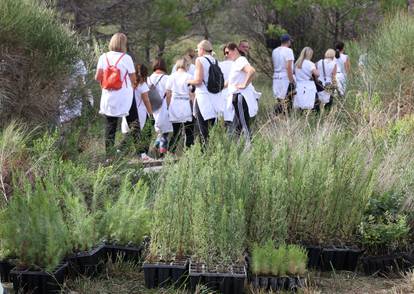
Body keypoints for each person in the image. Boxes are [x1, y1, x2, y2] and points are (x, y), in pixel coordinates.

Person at [95, 32, 137, 156]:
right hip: (125, 96)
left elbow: (97, 77)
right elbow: (133, 79)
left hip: (108, 95)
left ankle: (109, 156)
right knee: (134, 123)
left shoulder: (103, 57)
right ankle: (142, 153)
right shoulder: (126, 58)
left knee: (110, 126)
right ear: (124, 44)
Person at [187, 40, 222, 145]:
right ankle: (213, 152)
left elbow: (198, 81)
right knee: (212, 129)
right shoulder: (215, 60)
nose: (198, 52)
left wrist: (188, 81)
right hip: (214, 97)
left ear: (202, 50)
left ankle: (205, 155)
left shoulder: (200, 60)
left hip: (203, 98)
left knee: (203, 130)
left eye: (198, 50)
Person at [226, 43, 260, 141]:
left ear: (235, 50)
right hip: (236, 96)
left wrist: (244, 84)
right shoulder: (236, 62)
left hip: (241, 97)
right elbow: (231, 82)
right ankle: (239, 149)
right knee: (238, 126)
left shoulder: (241, 60)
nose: (227, 55)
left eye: (228, 52)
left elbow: (251, 71)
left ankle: (249, 148)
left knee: (244, 125)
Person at [121, 64, 154, 160]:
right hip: (140, 113)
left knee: (130, 135)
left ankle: (118, 154)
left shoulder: (128, 84)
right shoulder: (142, 85)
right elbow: (146, 100)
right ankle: (143, 155)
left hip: (127, 112)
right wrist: (151, 114)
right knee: (144, 134)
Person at [165, 58, 194, 153]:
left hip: (174, 104)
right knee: (189, 131)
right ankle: (189, 152)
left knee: (176, 131)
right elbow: (191, 93)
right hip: (185, 104)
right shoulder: (189, 76)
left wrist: (168, 106)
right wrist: (193, 106)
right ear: (186, 66)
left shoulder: (171, 76)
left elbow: (168, 93)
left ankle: (171, 151)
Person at [148, 58, 172, 154]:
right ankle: (162, 151)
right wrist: (169, 106)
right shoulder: (168, 78)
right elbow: (169, 94)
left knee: (160, 130)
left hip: (152, 108)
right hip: (164, 106)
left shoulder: (149, 78)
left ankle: (156, 147)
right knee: (165, 131)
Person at [272, 34, 295, 111]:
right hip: (285, 76)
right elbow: (288, 67)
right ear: (288, 42)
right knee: (288, 100)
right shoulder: (289, 51)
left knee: (279, 99)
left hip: (276, 76)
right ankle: (283, 118)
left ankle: (277, 116)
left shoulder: (274, 51)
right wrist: (291, 80)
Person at [219, 45, 234, 123]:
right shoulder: (237, 64)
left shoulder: (218, 64)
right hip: (229, 94)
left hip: (223, 93)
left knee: (222, 120)